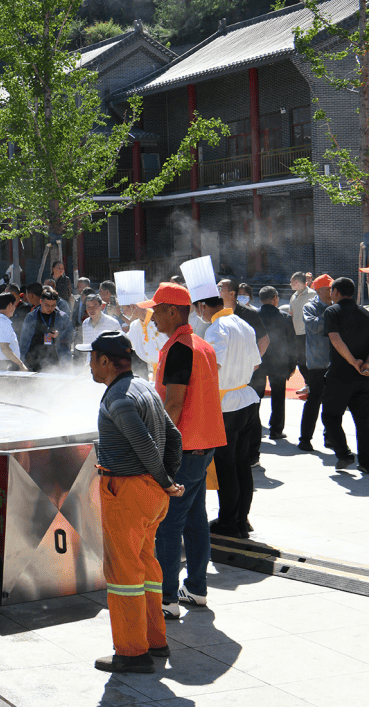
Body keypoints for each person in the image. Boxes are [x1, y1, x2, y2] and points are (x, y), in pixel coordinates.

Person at [79, 331, 182, 674]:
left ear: (105, 361)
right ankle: (156, 640)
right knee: (147, 566)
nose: (89, 365)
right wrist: (164, 481)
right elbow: (174, 437)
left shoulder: (118, 398)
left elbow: (144, 444)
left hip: (126, 492)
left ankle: (132, 652)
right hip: (150, 494)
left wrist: (166, 481)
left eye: (91, 358)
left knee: (123, 573)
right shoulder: (145, 388)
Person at [140, 281, 225, 621]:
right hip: (204, 445)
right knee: (195, 517)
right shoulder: (202, 345)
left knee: (169, 523)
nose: (152, 317)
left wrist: (157, 450)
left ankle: (167, 597)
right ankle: (198, 588)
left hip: (183, 447)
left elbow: (174, 403)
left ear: (172, 311)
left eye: (156, 310)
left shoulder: (179, 348)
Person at [193, 292, 261, 538]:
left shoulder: (216, 328)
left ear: (202, 306)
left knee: (226, 466)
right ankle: (242, 519)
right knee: (242, 464)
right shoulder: (242, 323)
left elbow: (214, 364)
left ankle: (229, 522)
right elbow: (255, 362)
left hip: (227, 405)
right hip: (246, 399)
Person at [320, 276, 369, 470]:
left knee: (330, 416)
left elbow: (335, 338)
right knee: (364, 421)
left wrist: (352, 361)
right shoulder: (365, 313)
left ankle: (344, 454)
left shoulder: (332, 311)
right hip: (364, 376)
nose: (331, 294)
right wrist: (365, 364)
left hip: (340, 375)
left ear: (336, 292)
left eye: (332, 291)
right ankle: (366, 463)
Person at [220, 278, 268, 466]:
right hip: (231, 373)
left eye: (220, 288)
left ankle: (253, 454)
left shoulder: (247, 313)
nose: (217, 291)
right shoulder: (220, 313)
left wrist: (254, 364)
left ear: (232, 293)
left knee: (252, 413)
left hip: (250, 372)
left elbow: (264, 340)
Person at [299, 275, 336, 453]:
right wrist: (330, 316)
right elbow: (312, 326)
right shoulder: (310, 307)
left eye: (332, 289)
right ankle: (305, 439)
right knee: (314, 400)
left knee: (333, 402)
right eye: (329, 289)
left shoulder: (336, 305)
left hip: (335, 362)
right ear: (320, 290)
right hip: (317, 363)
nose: (332, 292)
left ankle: (330, 437)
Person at [257, 286, 297, 440]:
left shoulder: (253, 316)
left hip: (258, 361)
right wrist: (292, 365)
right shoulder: (285, 317)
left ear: (260, 299)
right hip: (279, 362)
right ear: (275, 298)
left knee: (255, 397)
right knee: (278, 397)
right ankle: (276, 430)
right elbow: (292, 343)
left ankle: (254, 428)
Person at [20, 286, 73, 372]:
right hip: (33, 361)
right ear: (41, 302)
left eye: (53, 305)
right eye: (47, 305)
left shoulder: (63, 317)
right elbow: (23, 341)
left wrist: (59, 335)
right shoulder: (31, 316)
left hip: (57, 362)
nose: (50, 308)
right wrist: (22, 362)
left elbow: (72, 335)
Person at [289, 272, 315, 394]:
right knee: (300, 361)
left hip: (309, 333)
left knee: (308, 360)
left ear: (299, 282)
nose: (290, 284)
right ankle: (308, 384)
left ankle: (313, 384)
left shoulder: (312, 294)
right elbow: (291, 314)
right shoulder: (293, 296)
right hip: (297, 334)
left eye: (293, 282)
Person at [0, 293, 27, 371]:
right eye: (14, 305)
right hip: (7, 365)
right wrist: (21, 364)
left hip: (1, 364)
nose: (14, 308)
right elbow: (4, 347)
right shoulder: (3, 323)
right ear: (10, 305)